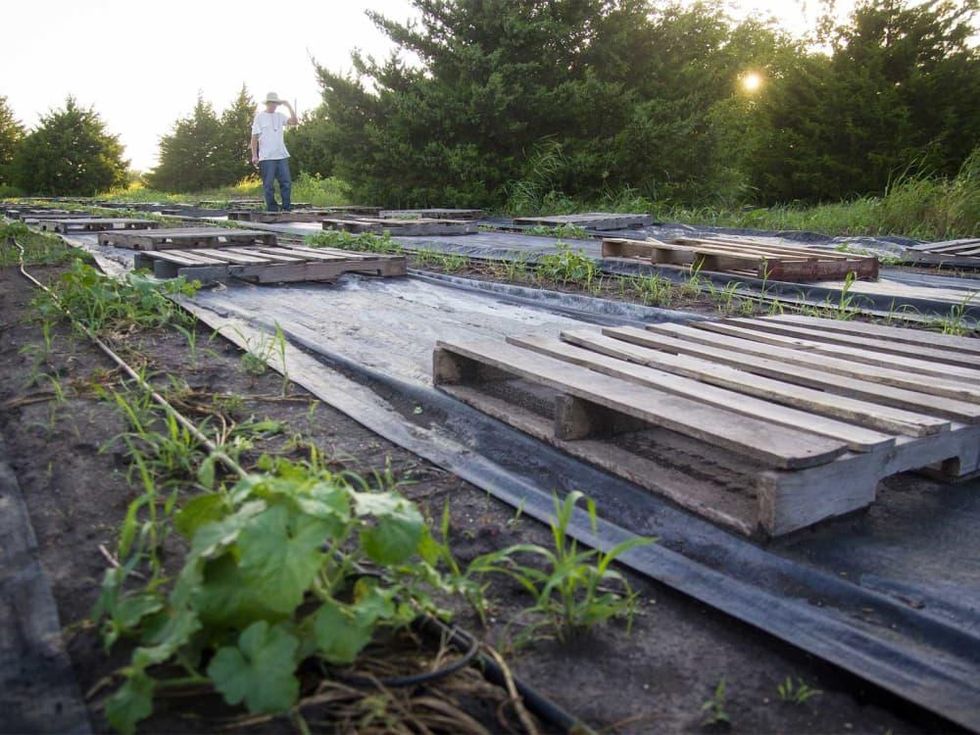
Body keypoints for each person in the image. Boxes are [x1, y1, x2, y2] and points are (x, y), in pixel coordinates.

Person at [250, 92, 298, 212]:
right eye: (272, 103)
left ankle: (286, 208)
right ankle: (272, 208)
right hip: (266, 157)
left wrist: (288, 106)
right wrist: (254, 155)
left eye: (276, 103)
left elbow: (294, 121)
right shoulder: (259, 117)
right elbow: (254, 137)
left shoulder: (280, 116)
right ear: (267, 103)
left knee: (286, 182)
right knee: (268, 184)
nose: (274, 105)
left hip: (281, 155)